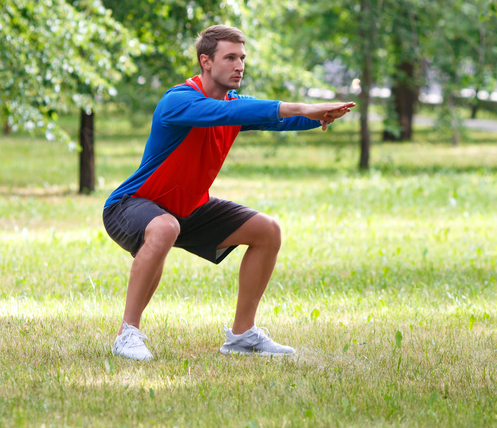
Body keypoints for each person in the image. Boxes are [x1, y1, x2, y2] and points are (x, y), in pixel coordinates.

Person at [102, 25, 354, 360]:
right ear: (206, 61)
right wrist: (300, 107)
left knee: (267, 230)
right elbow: (227, 114)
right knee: (165, 227)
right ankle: (127, 335)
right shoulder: (178, 100)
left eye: (242, 58)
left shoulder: (233, 103)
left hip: (187, 208)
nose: (240, 66)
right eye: (230, 57)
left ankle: (242, 336)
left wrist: (318, 115)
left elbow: (273, 119)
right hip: (131, 204)